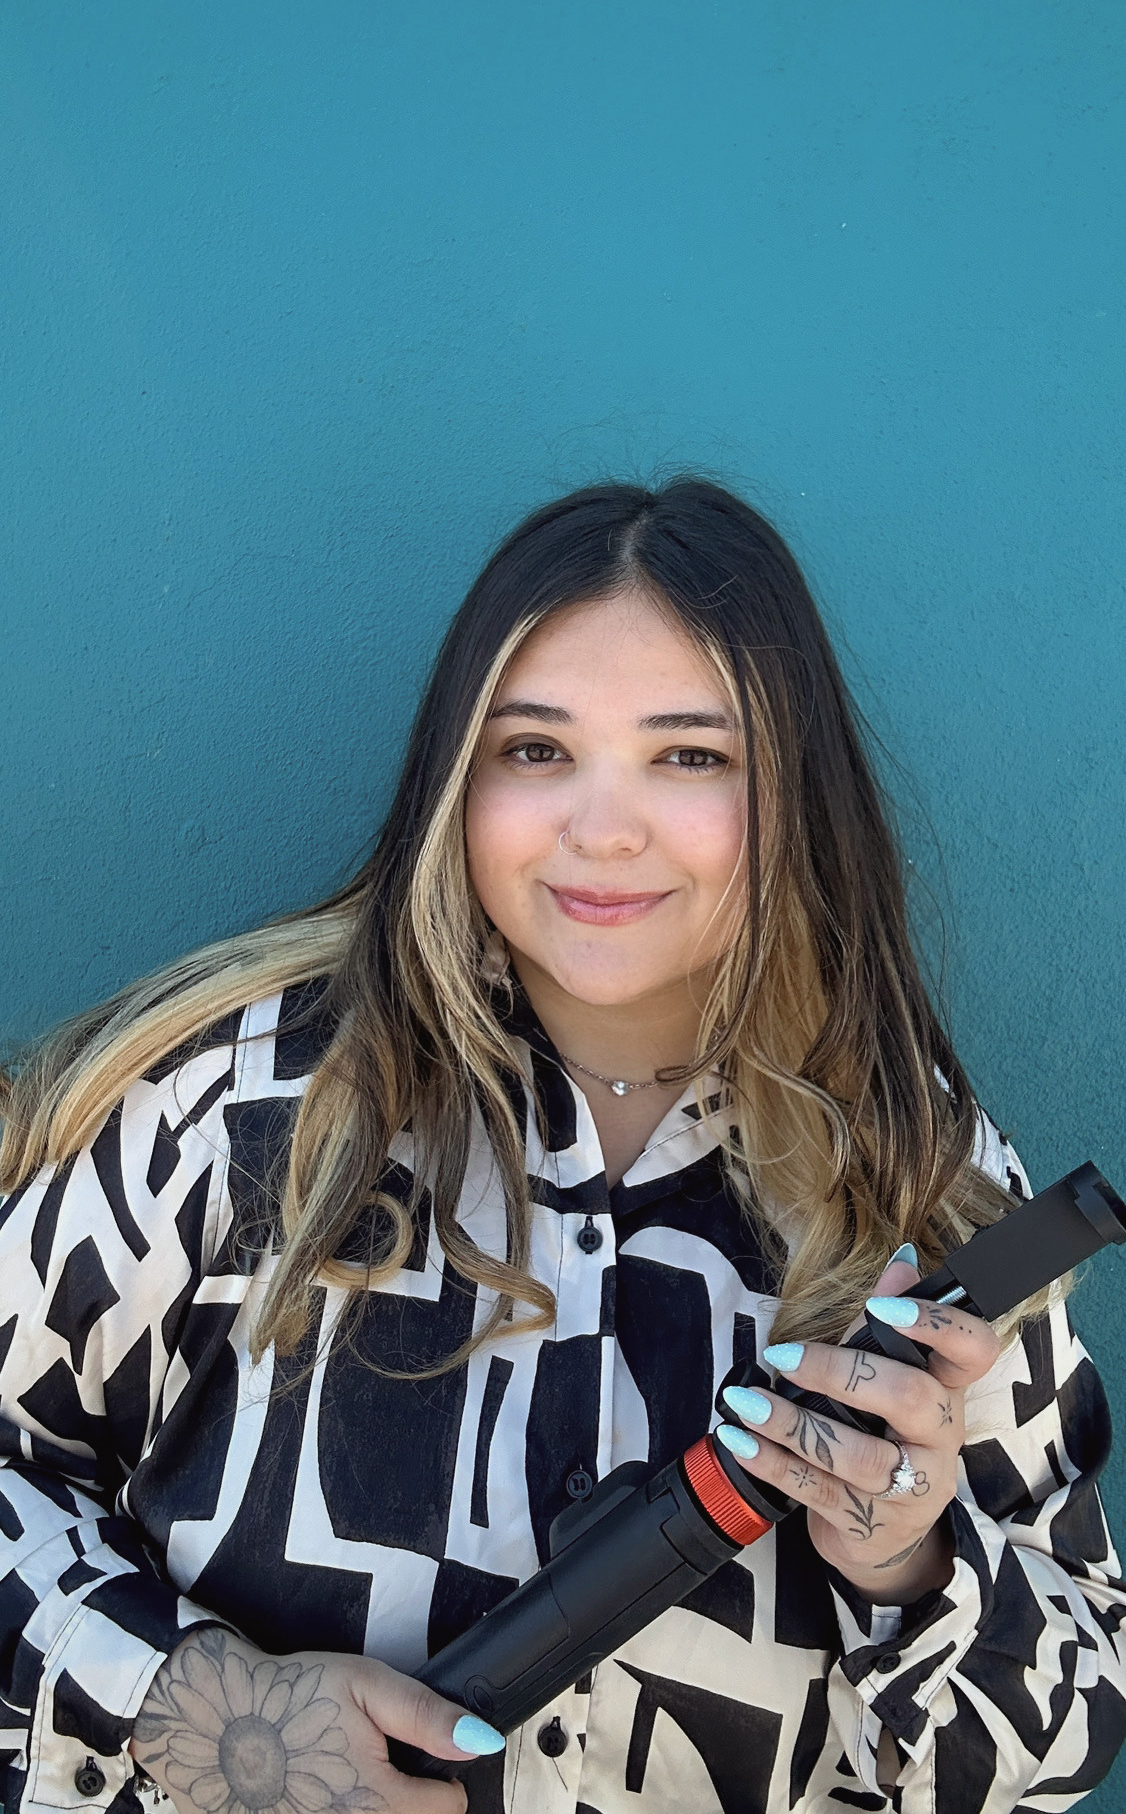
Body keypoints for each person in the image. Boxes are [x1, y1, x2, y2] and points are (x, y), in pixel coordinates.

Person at [1, 479, 1123, 1814]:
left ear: (794, 793)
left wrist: (907, 1562)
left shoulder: (919, 1167)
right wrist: (190, 1705)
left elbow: (1061, 1746)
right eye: (535, 750)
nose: (602, 827)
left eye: (691, 756)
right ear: (456, 776)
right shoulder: (234, 1105)